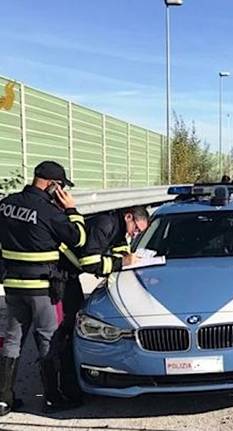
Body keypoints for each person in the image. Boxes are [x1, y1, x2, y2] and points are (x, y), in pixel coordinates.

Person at [0, 161, 86, 415]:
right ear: (53, 185)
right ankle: (53, 397)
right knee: (49, 339)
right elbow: (78, 238)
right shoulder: (49, 211)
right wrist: (71, 209)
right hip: (43, 288)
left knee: (12, 341)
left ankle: (3, 400)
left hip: (13, 286)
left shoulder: (5, 204)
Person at [53, 206, 149, 399]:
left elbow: (120, 248)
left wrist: (128, 257)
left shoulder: (119, 227)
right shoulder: (106, 224)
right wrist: (122, 263)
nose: (135, 234)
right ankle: (65, 381)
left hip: (69, 275)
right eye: (136, 229)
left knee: (71, 321)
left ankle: (68, 377)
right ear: (128, 217)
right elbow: (89, 262)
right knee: (68, 325)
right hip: (60, 274)